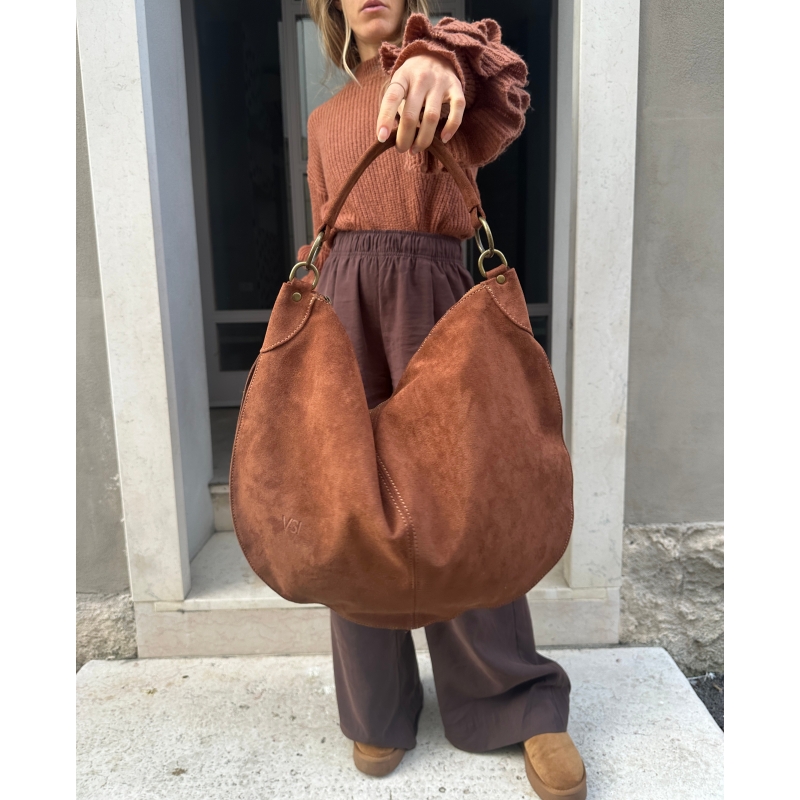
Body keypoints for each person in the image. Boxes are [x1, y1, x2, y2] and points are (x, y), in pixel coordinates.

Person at [300, 2, 587, 798]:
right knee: (352, 505)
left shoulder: (447, 69)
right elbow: (322, 225)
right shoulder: (324, 119)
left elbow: (503, 77)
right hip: (343, 304)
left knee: (465, 497)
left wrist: (435, 58)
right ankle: (377, 703)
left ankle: (515, 699)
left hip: (434, 296)